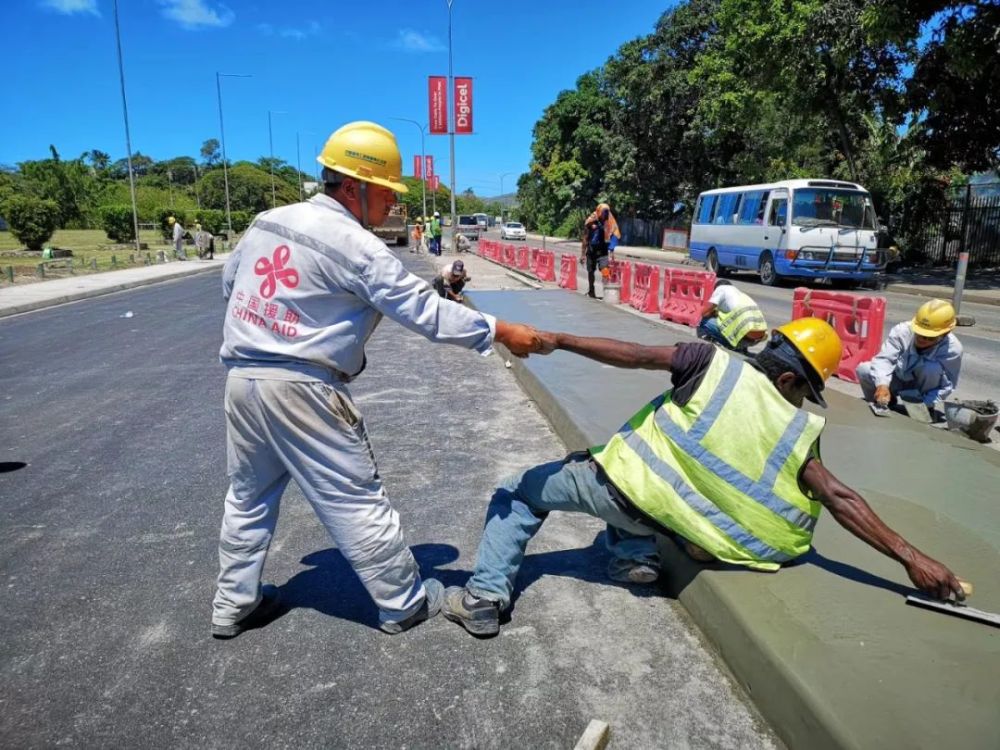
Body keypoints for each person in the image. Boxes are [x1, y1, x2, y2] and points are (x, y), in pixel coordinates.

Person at [212, 120, 544, 639]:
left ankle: (234, 603)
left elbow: (230, 284)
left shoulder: (267, 222)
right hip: (304, 388)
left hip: (244, 379)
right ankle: (404, 602)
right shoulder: (354, 244)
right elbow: (424, 313)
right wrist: (500, 330)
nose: (391, 204)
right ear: (354, 187)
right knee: (354, 498)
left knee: (248, 498)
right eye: (386, 193)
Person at [442, 318, 965, 637]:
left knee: (520, 491)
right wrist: (914, 559)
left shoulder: (709, 362)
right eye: (804, 389)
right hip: (684, 525)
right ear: (787, 379)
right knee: (643, 502)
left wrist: (556, 339)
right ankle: (634, 558)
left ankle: (485, 599)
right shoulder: (796, 430)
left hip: (619, 489)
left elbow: (633, 355)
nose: (800, 400)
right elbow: (840, 498)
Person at [856, 299, 962, 412]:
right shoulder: (902, 331)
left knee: (931, 368)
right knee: (864, 369)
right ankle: (885, 400)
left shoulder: (953, 349)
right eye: (920, 334)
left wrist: (928, 403)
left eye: (930, 337)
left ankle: (924, 407)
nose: (923, 340)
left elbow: (947, 385)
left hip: (922, 388)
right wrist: (882, 385)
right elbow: (884, 359)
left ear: (944, 334)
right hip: (897, 379)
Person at [697, 280, 768, 353]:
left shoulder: (721, 289)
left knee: (702, 321)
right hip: (757, 339)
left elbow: (703, 313)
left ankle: (722, 346)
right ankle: (742, 348)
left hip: (742, 339)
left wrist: (712, 313)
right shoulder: (741, 295)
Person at [581, 202, 620, 298]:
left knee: (605, 271)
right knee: (591, 271)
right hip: (591, 250)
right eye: (603, 212)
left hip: (603, 250)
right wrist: (582, 254)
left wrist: (612, 250)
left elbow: (613, 234)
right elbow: (585, 238)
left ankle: (606, 293)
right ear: (598, 211)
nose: (605, 214)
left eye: (607, 212)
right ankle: (591, 290)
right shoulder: (590, 222)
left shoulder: (609, 221)